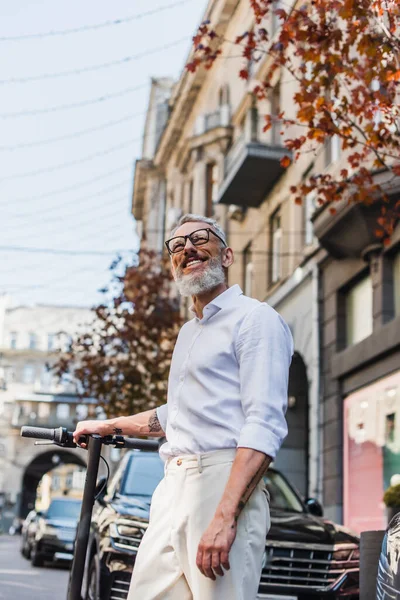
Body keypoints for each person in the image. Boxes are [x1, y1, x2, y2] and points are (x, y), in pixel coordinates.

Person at [73, 214, 293, 600]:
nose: (187, 248)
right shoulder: (190, 332)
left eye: (199, 238)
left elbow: (264, 423)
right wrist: (108, 426)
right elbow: (175, 415)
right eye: (176, 245)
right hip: (172, 487)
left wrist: (225, 516)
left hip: (221, 481)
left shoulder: (256, 319)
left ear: (225, 255)